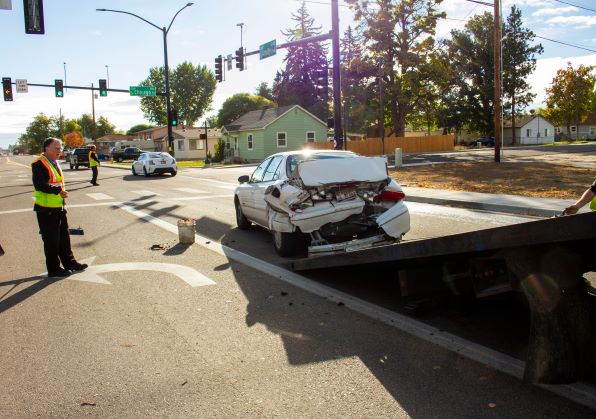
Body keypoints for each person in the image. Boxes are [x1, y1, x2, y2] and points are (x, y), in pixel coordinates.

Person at [32, 138, 88, 278]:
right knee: (51, 241)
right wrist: (57, 191)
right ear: (46, 148)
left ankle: (70, 263)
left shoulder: (54, 162)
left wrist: (61, 200)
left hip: (59, 207)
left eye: (60, 148)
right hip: (46, 209)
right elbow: (39, 184)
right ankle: (54, 269)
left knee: (64, 238)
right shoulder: (39, 164)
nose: (59, 151)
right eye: (56, 148)